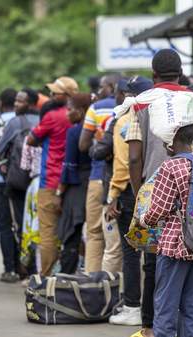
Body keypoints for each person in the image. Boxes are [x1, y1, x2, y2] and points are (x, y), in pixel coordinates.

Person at [125, 49, 191, 337]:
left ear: (153, 75)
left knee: (153, 260)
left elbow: (135, 156)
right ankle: (188, 331)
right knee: (190, 257)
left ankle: (151, 328)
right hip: (192, 185)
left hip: (156, 187)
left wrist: (139, 192)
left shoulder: (141, 103)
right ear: (180, 72)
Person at [139, 124, 193, 337]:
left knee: (166, 305)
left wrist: (144, 219)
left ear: (172, 143)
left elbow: (158, 209)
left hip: (173, 246)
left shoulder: (171, 167)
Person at [106, 76, 154, 326]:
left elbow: (124, 163)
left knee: (131, 251)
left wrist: (113, 195)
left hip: (131, 190)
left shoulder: (125, 120)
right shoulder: (159, 117)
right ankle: (153, 309)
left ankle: (133, 306)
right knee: (155, 255)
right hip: (160, 189)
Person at [28, 77, 77, 276]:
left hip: (50, 181)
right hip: (73, 183)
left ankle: (46, 277)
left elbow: (31, 139)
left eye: (55, 92)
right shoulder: (81, 115)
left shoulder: (53, 116)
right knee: (73, 233)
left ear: (67, 96)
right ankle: (70, 274)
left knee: (47, 233)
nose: (51, 95)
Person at [78, 73, 122, 273]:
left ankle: (93, 283)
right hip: (126, 178)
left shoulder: (96, 108)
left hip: (98, 177)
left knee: (95, 232)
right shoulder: (134, 108)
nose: (99, 91)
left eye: (102, 87)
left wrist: (99, 150)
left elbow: (83, 144)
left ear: (111, 86)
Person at [0, 88, 40, 277]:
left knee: (23, 223)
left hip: (18, 181)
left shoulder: (14, 123)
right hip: (40, 180)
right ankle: (39, 269)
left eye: (20, 101)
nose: (16, 104)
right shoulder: (42, 120)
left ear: (30, 104)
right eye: (15, 100)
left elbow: (0, 150)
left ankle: (26, 267)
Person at [56, 93, 92, 274]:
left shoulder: (75, 131)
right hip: (94, 182)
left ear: (82, 110)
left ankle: (66, 276)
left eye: (70, 110)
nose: (67, 114)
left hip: (77, 185)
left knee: (71, 231)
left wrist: (59, 193)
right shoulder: (98, 128)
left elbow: (69, 165)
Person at [0, 89, 20, 283]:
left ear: (0, 103)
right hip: (21, 180)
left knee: (5, 225)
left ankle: (10, 269)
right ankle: (24, 265)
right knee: (22, 223)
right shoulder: (24, 122)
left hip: (1, 180)